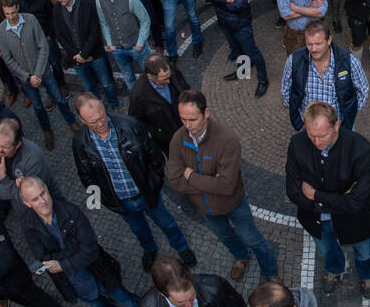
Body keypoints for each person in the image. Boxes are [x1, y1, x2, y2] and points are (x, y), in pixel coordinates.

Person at [71, 93, 195, 272]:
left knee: (167, 223)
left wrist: (153, 184)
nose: (100, 124)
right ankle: (150, 249)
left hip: (146, 193)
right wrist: (105, 200)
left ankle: (182, 248)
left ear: (104, 109)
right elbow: (86, 176)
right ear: (82, 120)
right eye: (92, 122)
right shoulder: (80, 142)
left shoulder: (130, 125)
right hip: (121, 202)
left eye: (101, 117)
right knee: (139, 230)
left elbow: (155, 158)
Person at [170, 90, 280, 282]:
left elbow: (227, 186)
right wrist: (211, 182)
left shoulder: (227, 139)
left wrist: (191, 176)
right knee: (225, 237)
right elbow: (174, 180)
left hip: (233, 204)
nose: (188, 125)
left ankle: (271, 272)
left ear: (206, 113)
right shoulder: (178, 139)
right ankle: (241, 257)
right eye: (183, 119)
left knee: (254, 239)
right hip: (207, 209)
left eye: (192, 119)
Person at [17, 176, 138, 307]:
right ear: (27, 204)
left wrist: (62, 264)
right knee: (100, 305)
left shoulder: (70, 212)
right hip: (74, 283)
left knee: (124, 297)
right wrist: (72, 253)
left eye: (43, 193)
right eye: (35, 199)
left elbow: (90, 250)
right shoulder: (28, 224)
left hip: (98, 271)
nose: (42, 201)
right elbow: (42, 257)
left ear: (47, 189)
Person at [285, 101, 370, 298]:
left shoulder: (361, 149)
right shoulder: (297, 144)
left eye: (322, 135)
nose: (316, 141)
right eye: (311, 135)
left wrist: (315, 196)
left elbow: (357, 202)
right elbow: (293, 192)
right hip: (316, 220)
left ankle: (368, 275)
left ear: (336, 125)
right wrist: (339, 199)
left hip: (354, 219)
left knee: (364, 252)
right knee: (327, 250)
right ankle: (334, 269)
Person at [0, 0, 75, 151]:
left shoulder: (30, 20)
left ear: (18, 8)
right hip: (25, 78)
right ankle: (47, 131)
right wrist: (27, 77)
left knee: (59, 98)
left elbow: (43, 47)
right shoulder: (1, 30)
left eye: (13, 12)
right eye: (7, 14)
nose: (11, 17)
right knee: (38, 107)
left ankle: (72, 121)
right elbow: (8, 59)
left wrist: (37, 74)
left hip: (43, 72)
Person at [281, 20, 369, 131]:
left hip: (340, 127)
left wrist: (349, 115)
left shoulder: (348, 61)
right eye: (309, 44)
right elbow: (285, 90)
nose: (313, 49)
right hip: (308, 127)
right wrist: (301, 123)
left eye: (318, 44)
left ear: (329, 40)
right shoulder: (294, 60)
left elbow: (363, 89)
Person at [208, 0, 269, 96]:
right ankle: (243, 71)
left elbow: (239, 5)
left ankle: (263, 80)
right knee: (238, 49)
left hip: (241, 23)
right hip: (225, 21)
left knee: (252, 51)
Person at [95, 0, 152, 87]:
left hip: (136, 46)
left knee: (150, 77)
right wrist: (110, 43)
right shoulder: (99, 0)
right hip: (117, 48)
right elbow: (104, 23)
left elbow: (145, 21)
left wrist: (140, 44)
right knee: (128, 78)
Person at [127, 53, 191, 158]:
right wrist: (156, 133)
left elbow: (184, 87)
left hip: (187, 125)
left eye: (168, 77)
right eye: (164, 79)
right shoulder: (138, 95)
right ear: (150, 76)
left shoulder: (171, 70)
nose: (168, 81)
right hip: (169, 138)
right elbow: (137, 121)